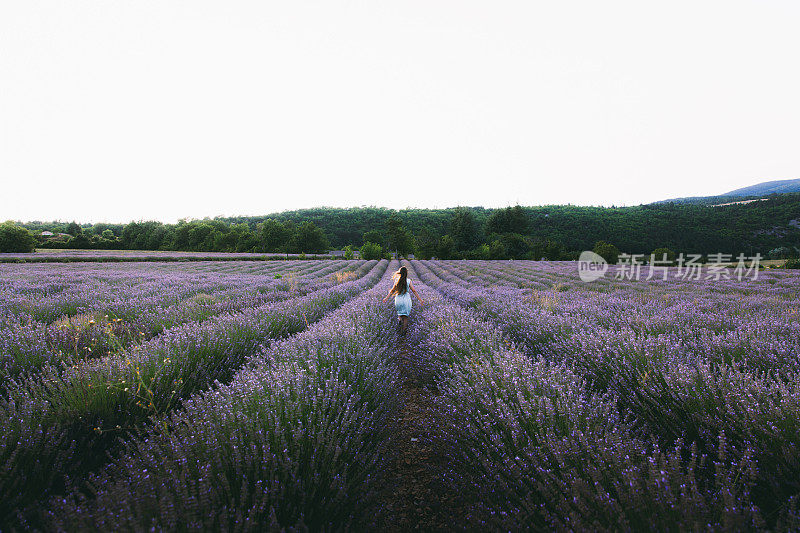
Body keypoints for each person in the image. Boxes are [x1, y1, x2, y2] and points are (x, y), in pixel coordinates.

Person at [382, 266, 424, 334]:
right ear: (406, 273)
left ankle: (399, 326)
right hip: (406, 300)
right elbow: (414, 291)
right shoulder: (408, 281)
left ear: (400, 273)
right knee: (405, 317)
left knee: (400, 315)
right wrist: (420, 300)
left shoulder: (397, 280)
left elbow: (392, 290)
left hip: (398, 300)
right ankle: (403, 332)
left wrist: (386, 298)